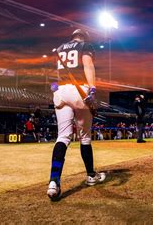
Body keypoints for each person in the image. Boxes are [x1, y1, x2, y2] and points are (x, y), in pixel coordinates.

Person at [47, 29, 106, 200]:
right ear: (84, 37)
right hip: (79, 89)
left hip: (61, 90)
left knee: (63, 137)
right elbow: (88, 64)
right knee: (85, 137)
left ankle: (53, 181)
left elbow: (56, 75)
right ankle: (91, 175)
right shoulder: (86, 45)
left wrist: (56, 89)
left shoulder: (59, 49)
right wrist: (93, 87)